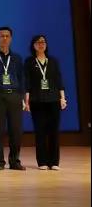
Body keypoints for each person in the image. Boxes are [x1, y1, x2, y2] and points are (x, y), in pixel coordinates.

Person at [24, 34, 67, 170]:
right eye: (38, 42)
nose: (41, 44)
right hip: (37, 100)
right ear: (33, 46)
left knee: (54, 131)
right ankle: (42, 161)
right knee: (40, 131)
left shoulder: (53, 61)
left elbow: (59, 81)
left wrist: (62, 98)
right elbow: (27, 82)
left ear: (46, 45)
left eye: (43, 42)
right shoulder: (29, 62)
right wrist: (26, 100)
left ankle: (54, 162)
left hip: (53, 99)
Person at [0, 26, 26, 171]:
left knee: (16, 130)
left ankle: (15, 161)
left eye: (7, 36)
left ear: (11, 39)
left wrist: (22, 97)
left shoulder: (17, 58)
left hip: (15, 95)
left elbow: (21, 78)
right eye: (1, 36)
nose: (4, 38)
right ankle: (0, 162)